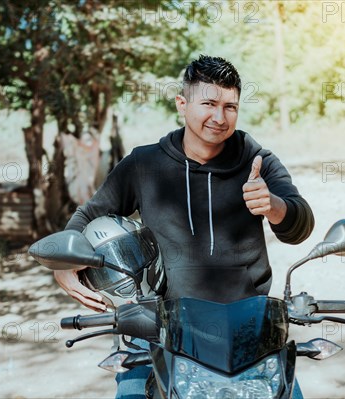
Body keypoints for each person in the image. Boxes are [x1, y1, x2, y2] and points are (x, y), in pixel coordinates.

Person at [53, 55, 314, 399]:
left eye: (230, 107)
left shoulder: (257, 161)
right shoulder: (144, 164)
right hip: (157, 327)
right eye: (208, 103)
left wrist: (274, 206)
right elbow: (86, 218)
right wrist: (63, 265)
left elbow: (301, 222)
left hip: (248, 330)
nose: (219, 117)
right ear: (182, 103)